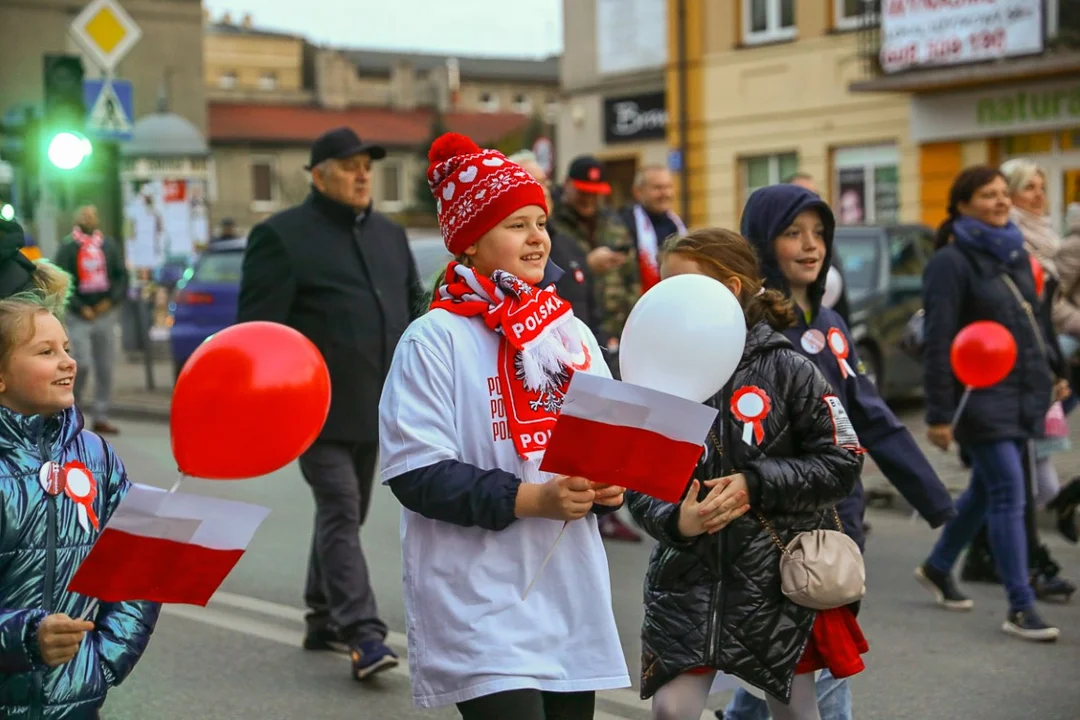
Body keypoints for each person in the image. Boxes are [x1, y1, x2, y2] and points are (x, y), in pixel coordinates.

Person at [379, 132, 630, 718]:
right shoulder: (433, 338)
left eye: (540, 222)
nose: (538, 237)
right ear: (470, 243)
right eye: (516, 224)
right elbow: (415, 473)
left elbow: (602, 445)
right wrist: (532, 498)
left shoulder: (568, 332)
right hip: (478, 600)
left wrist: (605, 489)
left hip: (567, 596)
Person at [722, 184, 956, 720]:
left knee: (792, 666)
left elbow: (869, 414)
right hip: (776, 524)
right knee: (818, 669)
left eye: (820, 234)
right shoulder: (746, 329)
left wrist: (932, 495)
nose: (811, 246)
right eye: (792, 233)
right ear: (761, 243)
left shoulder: (831, 325)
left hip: (838, 518)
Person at [630, 227, 863, 720]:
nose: (668, 301)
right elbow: (639, 479)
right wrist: (678, 520)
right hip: (688, 577)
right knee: (671, 710)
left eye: (683, 287)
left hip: (774, 580)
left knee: (795, 711)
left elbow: (842, 460)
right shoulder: (656, 368)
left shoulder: (789, 368)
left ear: (731, 288)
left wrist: (755, 483)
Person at [237, 126, 425, 681]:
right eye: (350, 165)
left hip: (379, 406)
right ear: (319, 175)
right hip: (311, 411)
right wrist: (267, 405)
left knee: (347, 512)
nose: (363, 174)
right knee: (342, 507)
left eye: (368, 164)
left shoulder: (390, 236)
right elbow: (256, 333)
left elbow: (413, 316)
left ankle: (320, 614)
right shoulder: (282, 236)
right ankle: (363, 633)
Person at [0, 271, 160, 717]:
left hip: (75, 701)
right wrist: (24, 637)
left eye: (67, 348)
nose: (68, 361)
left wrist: (103, 661)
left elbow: (137, 565)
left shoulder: (96, 456)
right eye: (46, 352)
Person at [917, 165, 1066, 642]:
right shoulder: (950, 262)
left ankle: (939, 565)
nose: (1001, 201)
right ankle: (1021, 606)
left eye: (1004, 193)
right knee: (1008, 490)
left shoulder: (1015, 253)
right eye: (988, 194)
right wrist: (939, 414)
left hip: (1022, 391)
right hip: (977, 397)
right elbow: (939, 340)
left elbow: (1035, 322)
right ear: (963, 204)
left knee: (986, 489)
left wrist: (1055, 372)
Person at [550, 155, 644, 542]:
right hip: (574, 331)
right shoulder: (556, 227)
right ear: (568, 186)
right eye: (583, 192)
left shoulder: (613, 222)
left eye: (595, 193)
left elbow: (633, 274)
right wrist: (586, 264)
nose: (589, 200)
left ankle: (610, 501)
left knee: (612, 417)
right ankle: (584, 496)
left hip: (614, 328)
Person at [53, 205, 127, 436]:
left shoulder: (109, 246)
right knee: (80, 362)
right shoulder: (68, 247)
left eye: (92, 214)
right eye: (83, 214)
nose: (88, 217)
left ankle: (102, 415)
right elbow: (60, 279)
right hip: (79, 314)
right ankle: (73, 410)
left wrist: (110, 301)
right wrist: (79, 306)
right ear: (76, 219)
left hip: (105, 312)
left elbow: (121, 277)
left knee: (105, 365)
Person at [508, 150, 600, 337]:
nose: (544, 190)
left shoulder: (569, 243)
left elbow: (593, 311)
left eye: (545, 183)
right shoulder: (506, 254)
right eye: (533, 182)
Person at [619, 166, 687, 293]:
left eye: (668, 187)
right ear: (637, 192)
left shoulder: (677, 224)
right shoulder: (622, 225)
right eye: (658, 188)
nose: (665, 193)